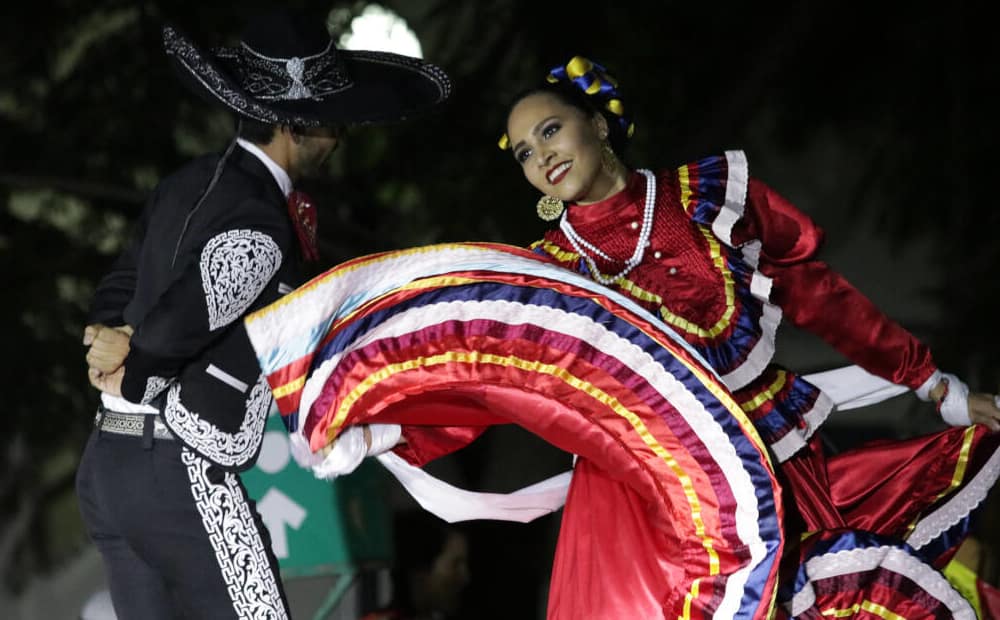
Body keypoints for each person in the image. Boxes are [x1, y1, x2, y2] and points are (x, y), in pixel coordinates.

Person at [496, 55, 1000, 616]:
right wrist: (390, 430)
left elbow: (822, 298)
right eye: (523, 153)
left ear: (595, 123)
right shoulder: (548, 274)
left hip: (772, 456)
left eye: (549, 131)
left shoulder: (705, 201)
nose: (541, 156)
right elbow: (488, 375)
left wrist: (935, 387)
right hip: (659, 494)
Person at [75, 8, 451, 619]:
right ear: (293, 125)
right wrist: (135, 369)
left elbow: (119, 282)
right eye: (330, 124)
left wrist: (104, 336)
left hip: (108, 468)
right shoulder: (259, 219)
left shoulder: (186, 180)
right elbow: (180, 321)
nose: (338, 137)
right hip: (178, 471)